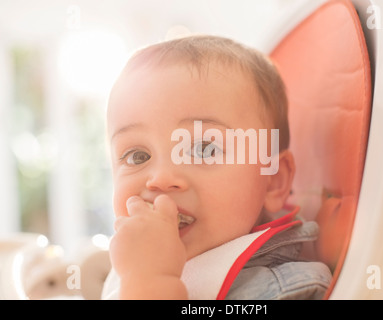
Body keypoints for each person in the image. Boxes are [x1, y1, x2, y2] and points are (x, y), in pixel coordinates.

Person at [102, 35, 332, 300]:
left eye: (203, 150)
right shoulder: (129, 264)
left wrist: (150, 283)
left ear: (273, 179)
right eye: (138, 156)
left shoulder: (286, 291)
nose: (160, 178)